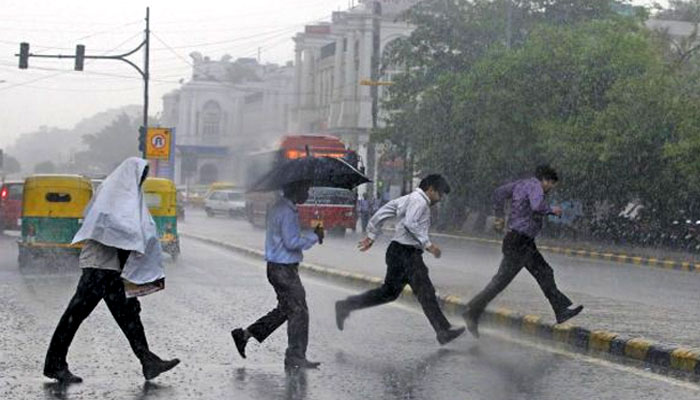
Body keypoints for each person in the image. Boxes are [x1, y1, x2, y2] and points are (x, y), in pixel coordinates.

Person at [43, 157, 180, 383]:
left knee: (128, 317)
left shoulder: (126, 197)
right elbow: (116, 230)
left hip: (111, 269)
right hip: (98, 268)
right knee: (74, 316)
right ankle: (54, 364)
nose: (143, 180)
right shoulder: (112, 197)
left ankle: (148, 361)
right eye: (142, 175)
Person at [334, 175, 466, 345]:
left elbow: (384, 211)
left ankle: (346, 305)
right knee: (426, 292)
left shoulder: (409, 198)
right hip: (407, 253)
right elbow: (410, 224)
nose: (440, 199)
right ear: (431, 189)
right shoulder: (420, 202)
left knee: (388, 293)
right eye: (440, 194)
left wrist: (372, 234)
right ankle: (443, 330)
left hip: (397, 251)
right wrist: (428, 245)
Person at [463, 165, 583, 338]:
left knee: (540, 273)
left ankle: (561, 310)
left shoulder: (520, 184)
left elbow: (498, 193)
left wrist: (499, 216)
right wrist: (551, 210)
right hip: (520, 242)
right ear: (546, 180)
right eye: (551, 185)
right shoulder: (536, 187)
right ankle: (472, 311)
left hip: (518, 241)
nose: (549, 189)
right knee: (506, 280)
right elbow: (536, 206)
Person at [231, 180, 325, 369]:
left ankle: (245, 335)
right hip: (283, 269)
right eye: (305, 189)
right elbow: (291, 242)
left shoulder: (280, 207)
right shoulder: (287, 211)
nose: (307, 193)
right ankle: (295, 355)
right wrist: (315, 236)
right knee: (299, 312)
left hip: (277, 268)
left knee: (285, 310)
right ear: (295, 189)